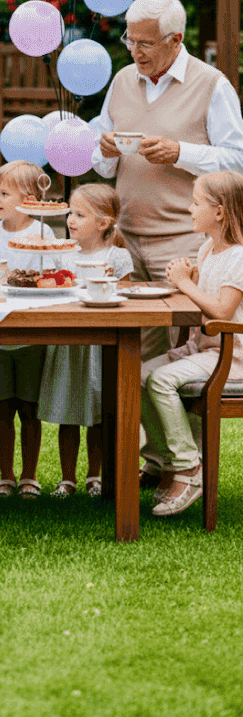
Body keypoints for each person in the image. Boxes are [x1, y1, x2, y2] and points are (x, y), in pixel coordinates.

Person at [92, 0, 243, 360]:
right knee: (131, 353)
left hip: (183, 244)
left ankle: (181, 421)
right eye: (130, 39)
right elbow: (102, 161)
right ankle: (129, 421)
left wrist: (181, 152)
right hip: (124, 238)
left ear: (176, 40)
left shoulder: (212, 84)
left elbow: (237, 162)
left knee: (183, 352)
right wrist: (105, 150)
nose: (135, 51)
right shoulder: (123, 80)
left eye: (146, 42)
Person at [141, 171, 243, 517]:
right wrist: (191, 278)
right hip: (204, 350)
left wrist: (186, 283)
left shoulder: (239, 256)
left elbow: (223, 312)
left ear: (219, 212)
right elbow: (206, 298)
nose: (189, 209)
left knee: (161, 379)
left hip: (231, 356)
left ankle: (188, 468)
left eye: (196, 202)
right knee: (137, 374)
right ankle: (171, 460)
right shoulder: (207, 249)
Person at [37, 184, 133, 498]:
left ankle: (95, 476)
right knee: (68, 413)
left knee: (97, 413)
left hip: (99, 346)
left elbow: (126, 300)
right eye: (71, 213)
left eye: (80, 215)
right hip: (68, 343)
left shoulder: (117, 257)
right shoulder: (62, 253)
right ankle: (68, 478)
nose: (71, 220)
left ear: (104, 223)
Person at [0, 160, 57, 500]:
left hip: (30, 333)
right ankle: (6, 476)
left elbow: (50, 277)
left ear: (27, 197)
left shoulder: (42, 234)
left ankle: (30, 475)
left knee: (29, 407)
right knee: (2, 407)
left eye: (4, 193)